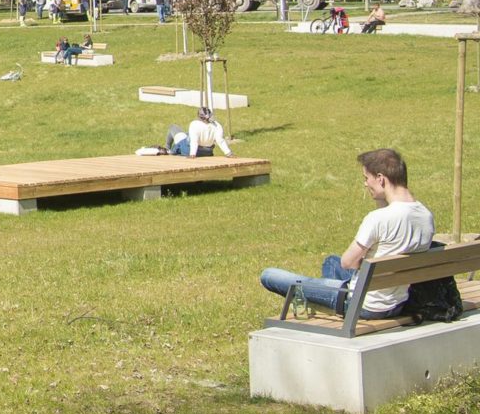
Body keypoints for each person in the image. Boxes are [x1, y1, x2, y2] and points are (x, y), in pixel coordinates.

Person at [259, 149, 435, 318]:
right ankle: (330, 297)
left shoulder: (379, 218)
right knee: (330, 262)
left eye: (367, 178)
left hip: (362, 304)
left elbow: (348, 262)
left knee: (269, 275)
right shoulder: (426, 215)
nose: (365, 184)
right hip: (397, 302)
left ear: (381, 179)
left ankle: (332, 306)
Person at [166, 108, 235, 157]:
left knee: (173, 127)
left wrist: (192, 154)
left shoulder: (194, 124)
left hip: (189, 150)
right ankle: (170, 149)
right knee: (187, 134)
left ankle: (168, 149)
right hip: (208, 152)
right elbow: (220, 141)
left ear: (199, 116)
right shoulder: (217, 125)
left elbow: (194, 141)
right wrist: (228, 153)